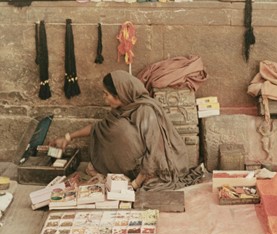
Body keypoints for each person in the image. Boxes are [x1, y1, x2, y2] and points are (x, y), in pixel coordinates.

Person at [51, 70, 201, 191]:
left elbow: (155, 150)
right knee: (113, 126)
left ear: (120, 95)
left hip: (158, 165)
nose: (104, 98)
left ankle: (140, 176)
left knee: (120, 128)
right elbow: (99, 127)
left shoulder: (144, 110)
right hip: (140, 161)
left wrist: (136, 184)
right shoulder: (124, 107)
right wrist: (69, 137)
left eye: (106, 94)